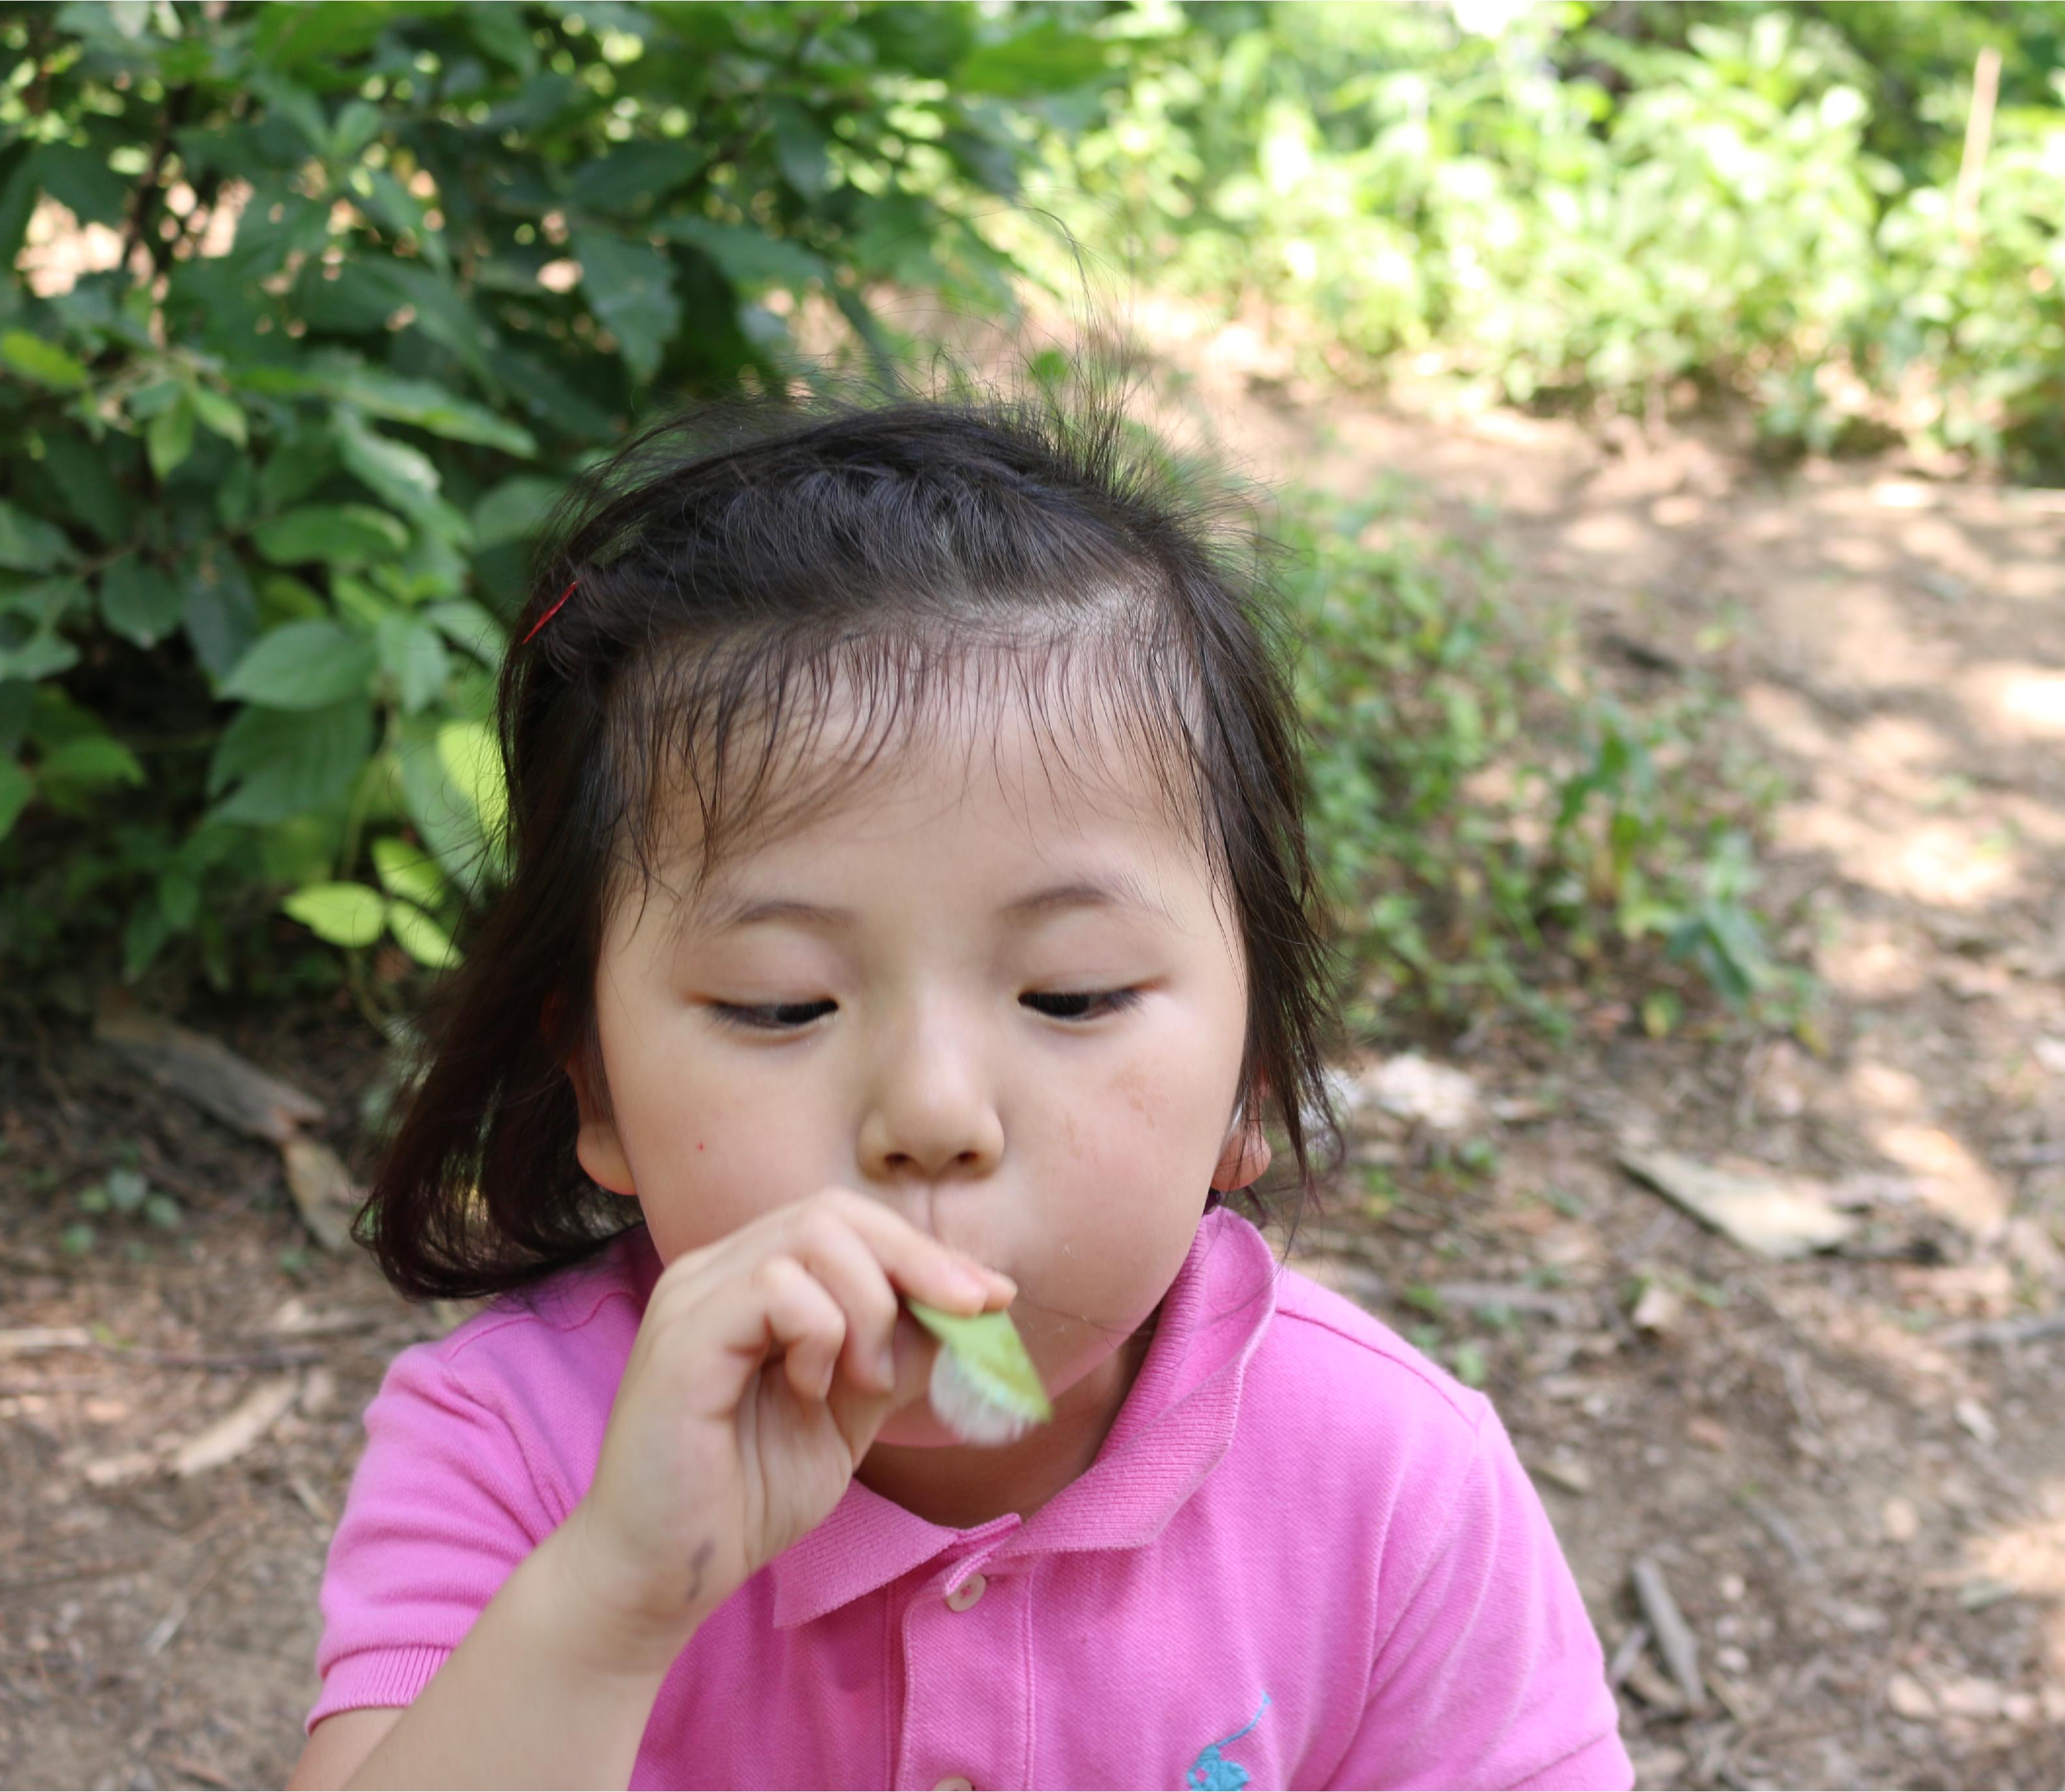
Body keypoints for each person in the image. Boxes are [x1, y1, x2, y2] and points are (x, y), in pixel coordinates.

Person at [286, 377, 1631, 1791]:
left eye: (1073, 994)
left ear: (1252, 1078)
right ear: (600, 1092)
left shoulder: (1389, 1490)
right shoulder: (521, 1451)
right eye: (778, 1005)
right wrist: (617, 1594)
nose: (930, 1116)